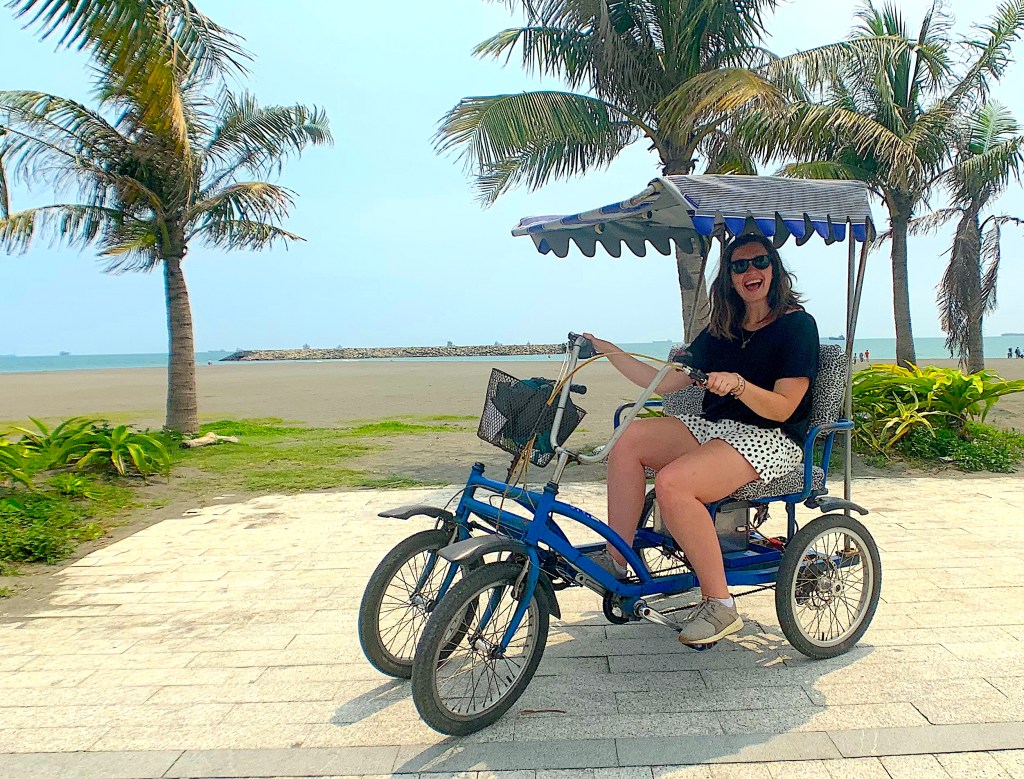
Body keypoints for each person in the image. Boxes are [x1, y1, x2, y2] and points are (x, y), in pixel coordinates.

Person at [584, 234, 819, 645]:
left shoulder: (796, 326)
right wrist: (609, 351)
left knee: (674, 482)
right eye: (739, 266)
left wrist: (741, 386)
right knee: (630, 437)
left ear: (774, 268)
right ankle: (618, 558)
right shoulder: (722, 328)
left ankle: (721, 604)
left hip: (770, 438)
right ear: (728, 277)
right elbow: (665, 383)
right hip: (716, 430)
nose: (751, 272)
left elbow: (784, 408)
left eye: (759, 262)